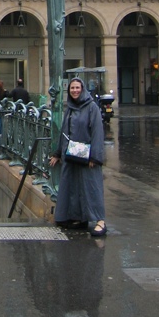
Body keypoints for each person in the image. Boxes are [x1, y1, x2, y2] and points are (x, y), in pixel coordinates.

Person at [50, 77, 107, 237]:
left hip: (87, 155)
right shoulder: (70, 108)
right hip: (72, 155)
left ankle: (100, 221)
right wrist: (58, 153)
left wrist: (95, 157)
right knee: (74, 187)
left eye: (77, 88)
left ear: (82, 89)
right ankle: (79, 217)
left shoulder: (92, 107)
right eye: (72, 88)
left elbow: (97, 132)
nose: (75, 91)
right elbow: (64, 131)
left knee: (91, 187)